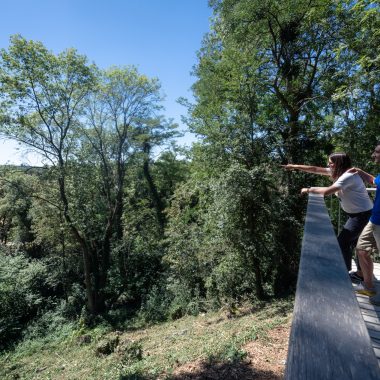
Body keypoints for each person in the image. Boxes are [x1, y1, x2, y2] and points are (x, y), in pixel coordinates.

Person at [282, 153, 373, 279]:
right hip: (358, 214)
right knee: (356, 243)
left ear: (339, 163)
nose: (328, 165)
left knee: (343, 242)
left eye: (331, 163)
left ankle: (344, 273)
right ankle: (360, 273)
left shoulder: (348, 176)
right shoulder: (340, 172)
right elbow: (315, 169)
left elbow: (326, 192)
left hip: (362, 215)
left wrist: (308, 190)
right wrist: (295, 166)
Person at [348, 143, 380, 300]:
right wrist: (360, 172)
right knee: (361, 250)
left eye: (377, 152)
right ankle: (369, 287)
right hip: (374, 219)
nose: (374, 155)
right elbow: (374, 181)